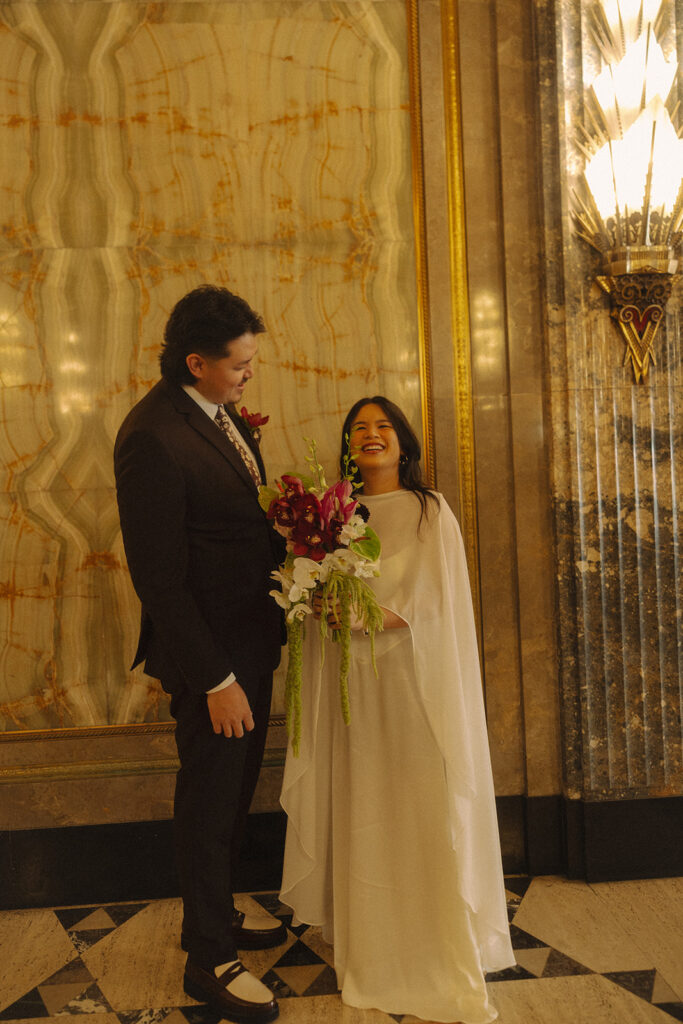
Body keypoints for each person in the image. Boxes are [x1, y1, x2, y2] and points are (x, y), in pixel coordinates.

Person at [279, 396, 515, 1023]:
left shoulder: (429, 510)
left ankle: (430, 938)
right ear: (348, 446)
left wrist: (376, 615)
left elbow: (444, 600)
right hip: (352, 683)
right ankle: (372, 938)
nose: (371, 435)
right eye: (359, 428)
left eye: (382, 426)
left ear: (404, 443)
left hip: (410, 683)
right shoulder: (332, 512)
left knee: (417, 801)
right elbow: (314, 585)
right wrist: (323, 609)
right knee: (364, 801)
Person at [114, 285, 287, 1024]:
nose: (249, 373)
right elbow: (159, 577)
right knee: (210, 800)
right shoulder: (152, 435)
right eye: (240, 363)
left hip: (249, 643)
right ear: (196, 362)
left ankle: (214, 910)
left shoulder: (213, 415)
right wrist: (215, 677)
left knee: (234, 793)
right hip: (212, 660)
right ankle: (208, 959)